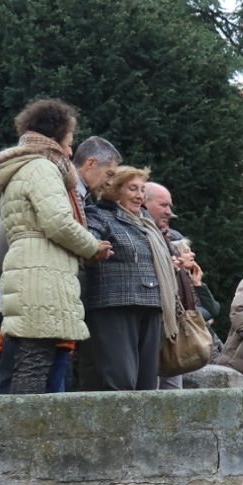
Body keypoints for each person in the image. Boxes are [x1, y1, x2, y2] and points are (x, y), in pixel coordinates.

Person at [0, 100, 111, 394]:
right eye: (69, 141)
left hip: (32, 271)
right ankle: (22, 425)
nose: (70, 151)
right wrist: (92, 246)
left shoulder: (26, 167)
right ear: (55, 136)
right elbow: (58, 222)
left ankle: (16, 422)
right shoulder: (42, 168)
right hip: (41, 276)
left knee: (24, 364)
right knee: (33, 366)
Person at [82, 164, 179, 390]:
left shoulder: (145, 220)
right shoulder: (98, 214)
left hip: (152, 304)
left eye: (142, 189)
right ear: (115, 189)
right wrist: (96, 247)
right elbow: (87, 243)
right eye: (132, 188)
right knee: (120, 379)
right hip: (115, 304)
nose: (139, 195)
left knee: (147, 383)